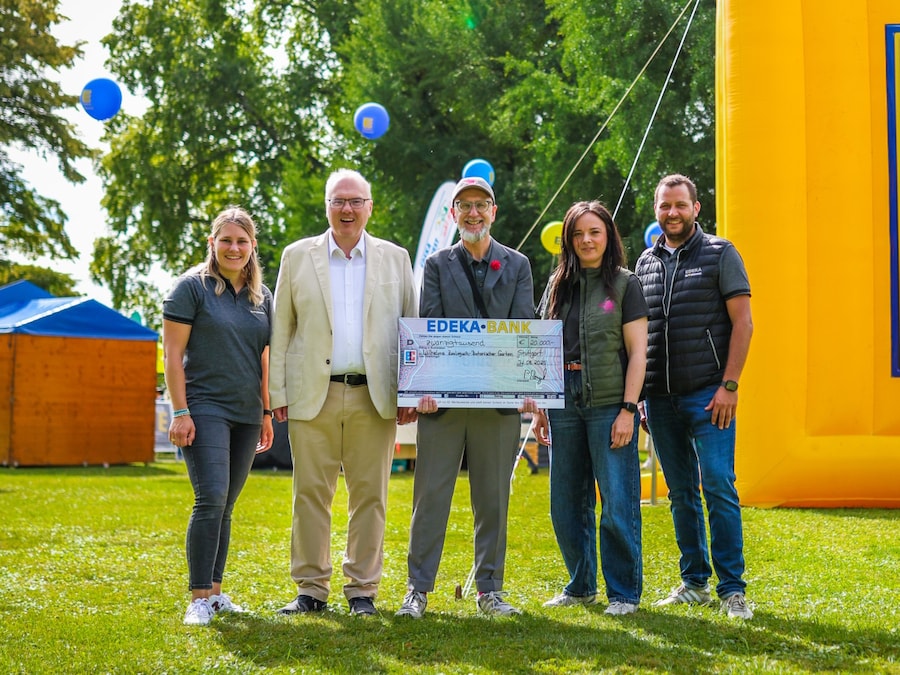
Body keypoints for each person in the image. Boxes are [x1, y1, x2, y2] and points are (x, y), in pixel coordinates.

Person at [269, 168, 418, 617]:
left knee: (370, 496)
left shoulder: (396, 258)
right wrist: (277, 391)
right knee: (310, 494)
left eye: (355, 201)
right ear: (327, 207)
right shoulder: (297, 257)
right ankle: (311, 590)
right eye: (338, 201)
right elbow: (281, 328)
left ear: (370, 207)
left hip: (375, 396)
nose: (347, 209)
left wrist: (409, 392)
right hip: (311, 394)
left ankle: (362, 591)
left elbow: (410, 329)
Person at [396, 176, 537, 619]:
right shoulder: (437, 264)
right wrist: (425, 388)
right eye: (464, 206)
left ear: (493, 211)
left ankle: (489, 590)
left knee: (493, 500)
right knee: (430, 497)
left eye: (480, 205)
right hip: (445, 403)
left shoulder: (518, 265)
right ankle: (418, 590)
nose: (473, 213)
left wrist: (525, 387)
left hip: (497, 402)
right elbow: (430, 326)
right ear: (454, 213)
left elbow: (522, 329)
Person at [634, 173, 754, 620]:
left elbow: (743, 323)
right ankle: (694, 583)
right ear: (656, 209)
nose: (673, 213)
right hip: (659, 399)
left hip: (709, 394)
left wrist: (729, 386)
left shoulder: (721, 253)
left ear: (696, 208)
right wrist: (640, 396)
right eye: (665, 205)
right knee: (681, 492)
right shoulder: (645, 262)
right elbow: (639, 334)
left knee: (718, 485)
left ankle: (733, 590)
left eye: (680, 205)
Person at [533, 200, 648, 616]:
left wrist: (628, 410)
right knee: (566, 504)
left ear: (607, 236)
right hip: (563, 404)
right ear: (568, 240)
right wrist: (542, 407)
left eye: (594, 232)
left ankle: (624, 593)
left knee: (617, 503)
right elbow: (543, 347)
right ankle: (580, 586)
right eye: (578, 233)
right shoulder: (557, 285)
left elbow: (638, 353)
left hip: (609, 405)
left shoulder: (625, 284)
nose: (586, 240)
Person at [162, 206, 275, 626]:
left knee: (226, 505)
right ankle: (197, 598)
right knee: (210, 498)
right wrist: (180, 412)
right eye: (226, 240)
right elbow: (172, 355)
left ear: (252, 246)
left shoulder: (262, 296)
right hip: (204, 408)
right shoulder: (190, 288)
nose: (234, 248)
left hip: (247, 413)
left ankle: (215, 593)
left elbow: (264, 358)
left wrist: (266, 411)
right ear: (212, 242)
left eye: (242, 241)